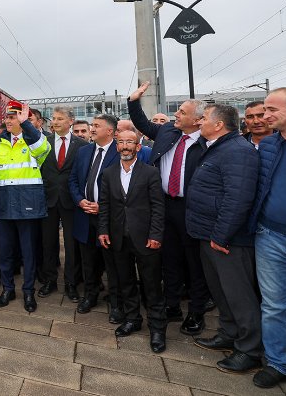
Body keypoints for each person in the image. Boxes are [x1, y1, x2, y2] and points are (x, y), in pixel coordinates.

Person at [128, 82, 210, 336]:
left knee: (195, 263)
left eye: (182, 112)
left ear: (198, 121)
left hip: (193, 208)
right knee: (170, 259)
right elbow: (143, 124)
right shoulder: (167, 132)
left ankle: (196, 311)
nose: (176, 114)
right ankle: (172, 306)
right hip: (165, 206)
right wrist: (133, 101)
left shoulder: (208, 143)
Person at [187, 104, 261, 374]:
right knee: (221, 292)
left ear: (218, 125)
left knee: (239, 295)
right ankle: (228, 334)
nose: (199, 121)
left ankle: (249, 349)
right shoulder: (218, 147)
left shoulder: (237, 152)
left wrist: (221, 235)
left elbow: (238, 199)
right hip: (209, 234)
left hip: (226, 239)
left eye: (204, 118)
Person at [0, 100, 51, 312]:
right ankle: (7, 289)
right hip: (4, 205)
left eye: (12, 116)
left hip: (28, 206)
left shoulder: (35, 141)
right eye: (6, 117)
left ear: (21, 119)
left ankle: (28, 292)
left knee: (28, 252)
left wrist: (26, 124)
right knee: (4, 252)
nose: (8, 120)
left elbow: (42, 149)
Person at [98, 129, 167, 353]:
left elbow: (158, 207)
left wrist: (156, 235)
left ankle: (157, 328)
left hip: (146, 239)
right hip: (118, 238)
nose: (125, 146)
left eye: (130, 142)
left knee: (152, 284)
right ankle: (132, 319)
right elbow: (105, 206)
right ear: (116, 146)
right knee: (125, 282)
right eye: (121, 142)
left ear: (138, 146)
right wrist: (103, 231)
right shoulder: (108, 174)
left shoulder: (150, 173)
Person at [248, 88, 286, 388]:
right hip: (271, 236)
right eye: (264, 110)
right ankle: (279, 362)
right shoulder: (268, 146)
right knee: (274, 304)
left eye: (271, 110)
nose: (265, 117)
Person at [68, 114, 121, 319]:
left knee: (112, 262)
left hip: (107, 217)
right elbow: (73, 180)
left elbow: (125, 186)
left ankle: (116, 301)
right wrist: (80, 200)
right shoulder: (84, 151)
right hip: (84, 214)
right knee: (88, 260)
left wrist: (103, 206)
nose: (92, 129)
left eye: (97, 126)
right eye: (92, 125)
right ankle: (90, 295)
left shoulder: (120, 151)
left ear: (110, 131)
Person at [39, 105, 88, 302]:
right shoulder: (44, 143)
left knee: (71, 244)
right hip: (48, 200)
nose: (55, 121)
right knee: (48, 243)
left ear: (70, 121)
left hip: (71, 201)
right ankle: (50, 280)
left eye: (59, 118)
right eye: (53, 118)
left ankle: (71, 283)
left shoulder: (82, 146)